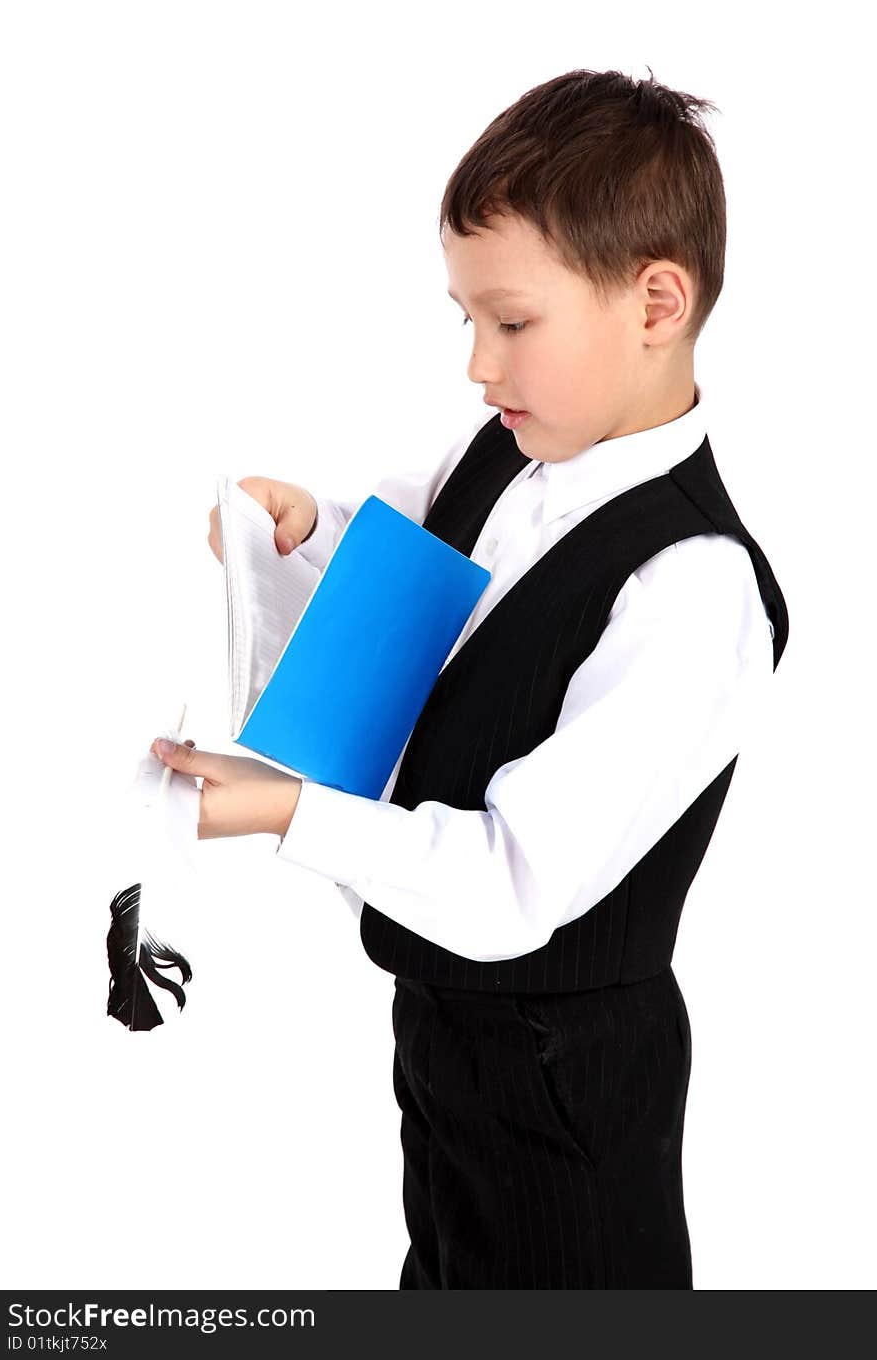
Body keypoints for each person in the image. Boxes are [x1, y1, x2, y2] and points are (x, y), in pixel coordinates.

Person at [152, 66, 790, 1288]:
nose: (478, 366)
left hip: (571, 1087)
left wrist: (291, 815)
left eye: (512, 323)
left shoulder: (694, 592)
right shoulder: (496, 449)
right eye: (467, 323)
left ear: (657, 301)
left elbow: (510, 882)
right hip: (443, 1040)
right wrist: (302, 531)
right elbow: (416, 593)